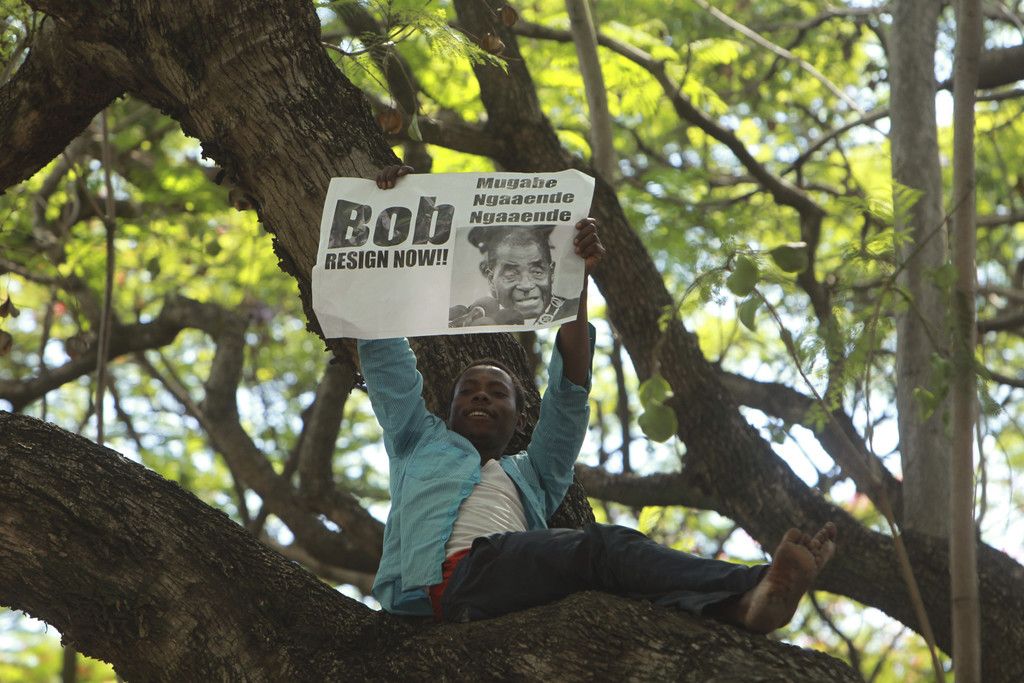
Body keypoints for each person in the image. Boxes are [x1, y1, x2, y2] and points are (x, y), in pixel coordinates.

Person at [361, 164, 837, 629]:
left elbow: (568, 393)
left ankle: (744, 606)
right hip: (433, 587)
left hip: (500, 594)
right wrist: (392, 210)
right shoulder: (416, 442)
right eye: (468, 391)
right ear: (447, 411)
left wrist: (575, 279)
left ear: (519, 418)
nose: (480, 397)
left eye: (496, 392)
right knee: (604, 549)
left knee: (618, 569)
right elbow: (386, 361)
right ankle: (753, 583)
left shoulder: (534, 474)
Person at [448, 224, 578, 328]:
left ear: (551, 272)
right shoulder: (474, 316)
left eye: (537, 272)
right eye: (511, 275)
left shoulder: (571, 311)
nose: (526, 285)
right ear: (491, 279)